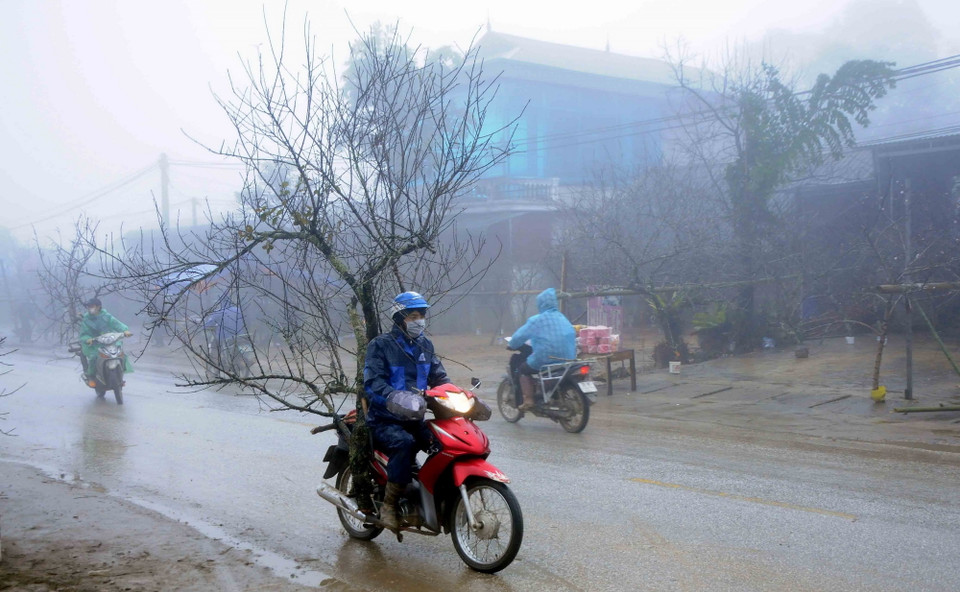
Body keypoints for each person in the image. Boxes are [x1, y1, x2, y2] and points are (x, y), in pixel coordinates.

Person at [363, 291, 448, 531]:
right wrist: (395, 397)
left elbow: (439, 377)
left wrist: (453, 394)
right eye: (413, 315)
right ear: (400, 318)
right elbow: (373, 385)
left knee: (441, 445)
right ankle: (389, 505)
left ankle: (426, 497)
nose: (419, 320)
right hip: (385, 420)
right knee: (404, 443)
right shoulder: (380, 345)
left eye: (421, 315)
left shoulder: (425, 344)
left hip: (414, 418)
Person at [508, 288, 577, 411]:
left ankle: (528, 400)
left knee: (523, 369)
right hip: (568, 358)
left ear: (540, 304)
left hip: (546, 358)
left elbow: (519, 336)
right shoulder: (562, 318)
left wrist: (512, 344)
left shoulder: (537, 320)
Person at [78, 298, 133, 387]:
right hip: (94, 344)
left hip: (109, 341)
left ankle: (120, 374)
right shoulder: (86, 319)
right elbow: (84, 334)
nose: (90, 308)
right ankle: (91, 376)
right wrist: (88, 339)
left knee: (121, 353)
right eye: (88, 307)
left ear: (98, 307)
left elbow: (116, 324)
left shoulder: (106, 316)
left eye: (92, 306)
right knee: (93, 357)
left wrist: (125, 331)